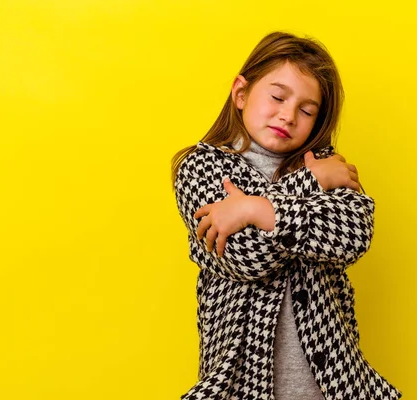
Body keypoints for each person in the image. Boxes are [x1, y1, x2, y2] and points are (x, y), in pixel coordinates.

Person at [171, 31, 402, 400]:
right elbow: (247, 255)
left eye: (307, 110)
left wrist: (255, 208)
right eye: (278, 97)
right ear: (241, 93)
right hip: (238, 386)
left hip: (333, 387)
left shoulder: (330, 166)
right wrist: (310, 183)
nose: (288, 115)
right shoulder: (201, 168)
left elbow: (353, 235)